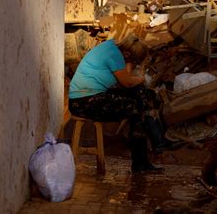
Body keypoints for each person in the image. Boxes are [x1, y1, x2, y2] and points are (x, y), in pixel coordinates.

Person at [69, 34, 165, 173]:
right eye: (134, 61)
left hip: (89, 97)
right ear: (127, 54)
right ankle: (148, 155)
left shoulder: (111, 47)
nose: (134, 64)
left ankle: (152, 151)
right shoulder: (115, 55)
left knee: (140, 95)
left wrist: (136, 81)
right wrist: (142, 78)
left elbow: (126, 80)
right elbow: (127, 82)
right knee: (135, 108)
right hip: (84, 102)